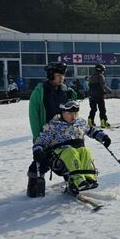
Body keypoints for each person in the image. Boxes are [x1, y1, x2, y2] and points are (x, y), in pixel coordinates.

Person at [32, 100, 111, 195]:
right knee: (70, 151)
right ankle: (77, 180)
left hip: (77, 154)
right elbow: (41, 140)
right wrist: (38, 150)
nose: (73, 116)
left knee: (85, 151)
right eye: (69, 113)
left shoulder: (80, 122)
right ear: (62, 113)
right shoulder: (53, 126)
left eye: (75, 113)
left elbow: (91, 130)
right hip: (58, 159)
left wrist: (103, 137)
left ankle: (89, 178)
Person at [27, 62, 76, 197]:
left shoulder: (66, 91)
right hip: (45, 134)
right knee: (41, 160)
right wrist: (38, 138)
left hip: (63, 133)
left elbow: (73, 111)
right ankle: (34, 183)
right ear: (50, 76)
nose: (62, 78)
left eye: (63, 75)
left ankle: (72, 182)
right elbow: (34, 115)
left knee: (68, 157)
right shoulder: (40, 91)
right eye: (58, 75)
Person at [87, 64, 112, 128]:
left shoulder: (91, 76)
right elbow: (103, 85)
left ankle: (90, 121)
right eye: (103, 70)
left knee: (93, 109)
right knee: (102, 109)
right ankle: (103, 122)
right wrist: (109, 90)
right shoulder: (100, 76)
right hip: (99, 96)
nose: (103, 72)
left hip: (91, 96)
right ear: (101, 70)